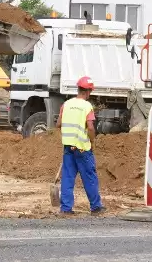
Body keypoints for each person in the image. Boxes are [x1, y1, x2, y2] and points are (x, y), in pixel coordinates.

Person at [56, 76, 106, 216]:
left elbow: (58, 125)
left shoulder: (66, 104)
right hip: (83, 148)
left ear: (78, 89)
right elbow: (90, 128)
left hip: (68, 147)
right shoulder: (87, 106)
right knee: (89, 177)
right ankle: (96, 207)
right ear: (88, 91)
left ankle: (65, 209)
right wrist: (92, 141)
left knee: (67, 178)